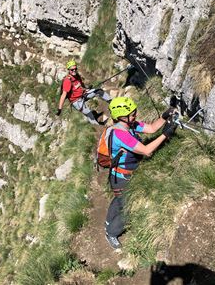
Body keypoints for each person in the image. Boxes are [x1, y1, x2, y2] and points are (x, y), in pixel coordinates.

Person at [104, 96, 176, 249]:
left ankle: (108, 221)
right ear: (122, 116)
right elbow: (147, 151)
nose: (135, 114)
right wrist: (166, 135)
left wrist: (164, 117)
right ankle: (111, 232)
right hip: (122, 177)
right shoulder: (121, 134)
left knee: (119, 200)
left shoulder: (127, 125)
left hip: (117, 176)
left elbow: (150, 128)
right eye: (132, 113)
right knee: (129, 208)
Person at [56, 60, 112, 125]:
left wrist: (86, 89)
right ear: (68, 70)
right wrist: (59, 109)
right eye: (72, 70)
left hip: (83, 94)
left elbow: (81, 85)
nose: (74, 71)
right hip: (76, 101)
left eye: (75, 69)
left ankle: (111, 102)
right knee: (89, 113)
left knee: (98, 91)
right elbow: (63, 95)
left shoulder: (77, 76)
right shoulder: (67, 81)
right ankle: (98, 125)